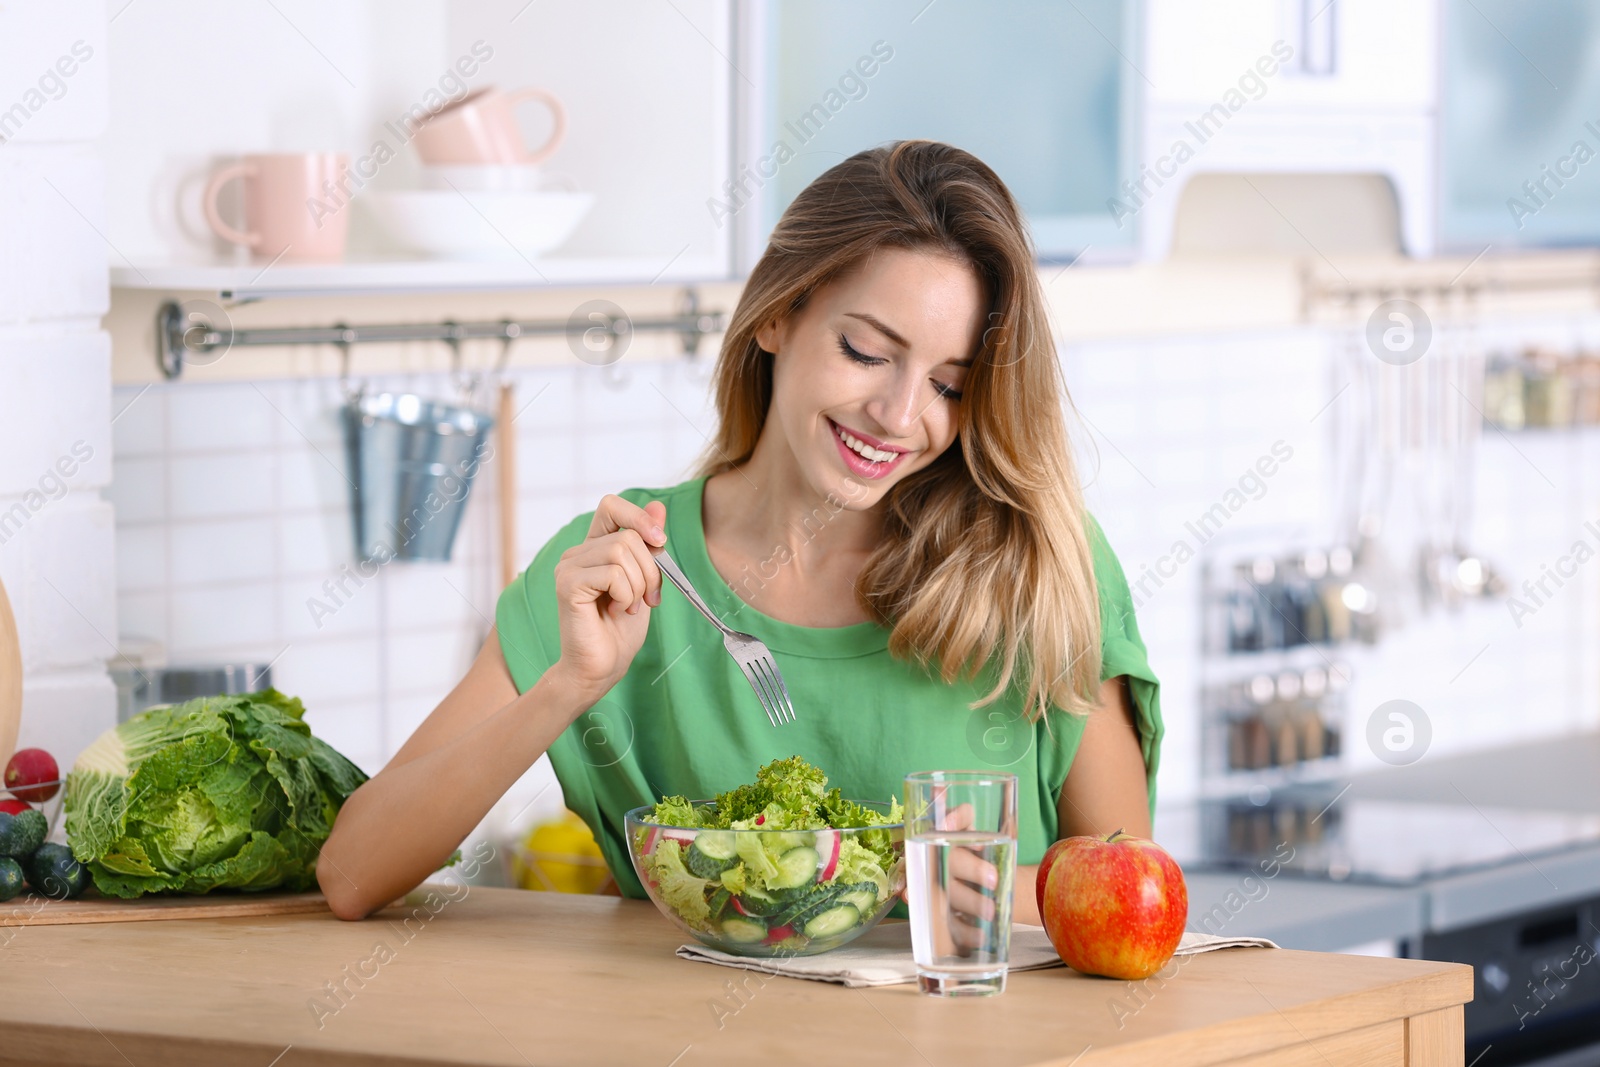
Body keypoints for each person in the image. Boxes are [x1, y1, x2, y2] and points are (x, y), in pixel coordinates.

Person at [318, 140, 1162, 927]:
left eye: (948, 384)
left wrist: (901, 874)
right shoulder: (624, 569)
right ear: (776, 315)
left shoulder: (1042, 566)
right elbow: (354, 873)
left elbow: (1132, 896)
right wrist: (569, 684)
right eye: (866, 351)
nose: (901, 415)